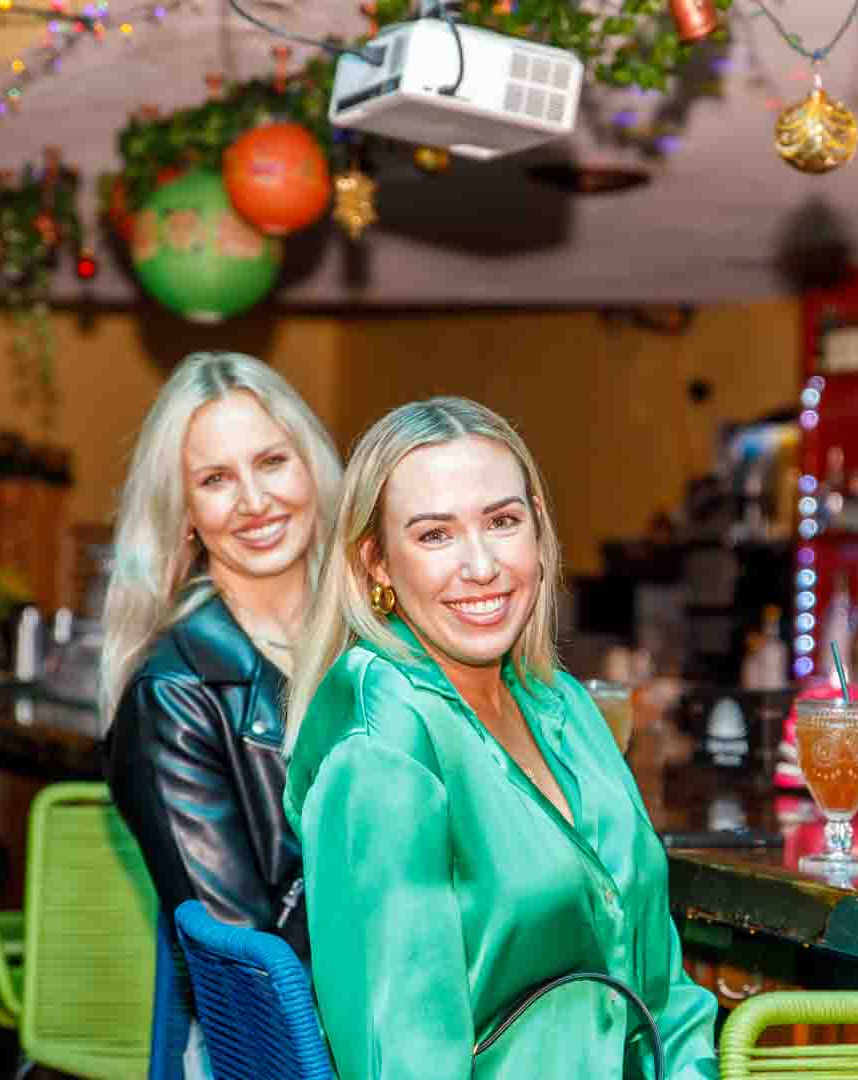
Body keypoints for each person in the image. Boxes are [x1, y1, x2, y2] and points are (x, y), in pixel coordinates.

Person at [283, 397, 719, 1079]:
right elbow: (402, 1059)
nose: (481, 565)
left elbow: (665, 993)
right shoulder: (382, 743)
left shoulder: (562, 703)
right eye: (435, 535)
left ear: (538, 529)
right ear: (376, 563)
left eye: (502, 522)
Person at [102, 353, 342, 1078]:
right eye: (215, 480)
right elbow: (251, 971)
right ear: (184, 515)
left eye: (271, 462)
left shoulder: (380, 645)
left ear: (312, 468)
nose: (254, 501)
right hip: (291, 1051)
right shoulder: (174, 693)